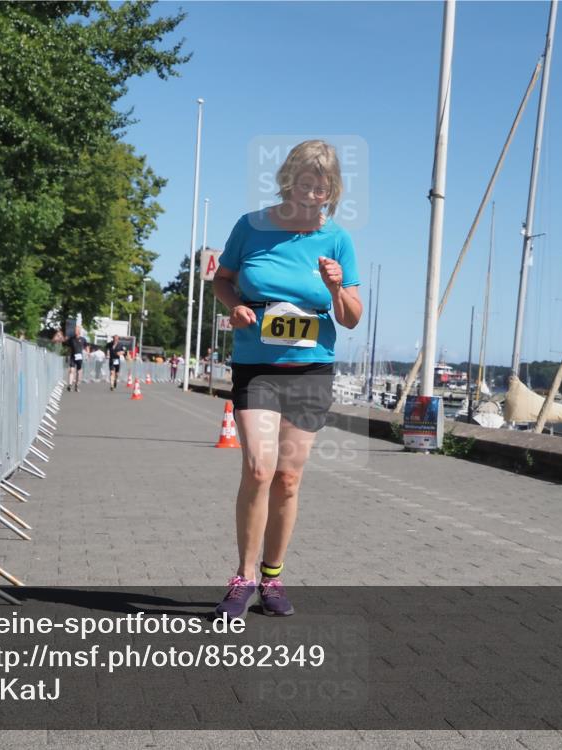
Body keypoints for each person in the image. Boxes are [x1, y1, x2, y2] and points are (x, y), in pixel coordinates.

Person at [211, 140, 362, 619]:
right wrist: (236, 306)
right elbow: (222, 279)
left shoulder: (337, 239)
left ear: (333, 191)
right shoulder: (250, 226)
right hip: (257, 366)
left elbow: (352, 317)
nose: (313, 195)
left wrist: (336, 287)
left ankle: (272, 578)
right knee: (259, 468)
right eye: (305, 185)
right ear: (287, 181)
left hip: (311, 369)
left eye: (323, 188)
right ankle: (243, 578)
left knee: (289, 478)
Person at [65, 326, 87, 392]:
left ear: (79, 331)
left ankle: (77, 385)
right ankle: (70, 385)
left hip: (79, 357)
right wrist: (67, 356)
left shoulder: (83, 339)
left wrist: (87, 355)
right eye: (74, 330)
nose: (75, 332)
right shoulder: (71, 339)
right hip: (72, 357)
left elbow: (86, 347)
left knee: (78, 372)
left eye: (76, 330)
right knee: (71, 370)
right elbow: (69, 348)